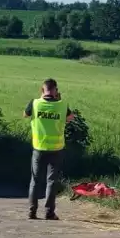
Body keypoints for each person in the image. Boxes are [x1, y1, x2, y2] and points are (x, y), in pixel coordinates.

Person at [23, 78, 74, 220]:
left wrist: (41, 100)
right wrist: (58, 101)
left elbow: (25, 115)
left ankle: (32, 211)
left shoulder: (35, 103)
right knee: (51, 181)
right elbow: (70, 118)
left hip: (39, 148)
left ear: (42, 90)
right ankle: (49, 212)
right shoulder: (62, 105)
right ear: (56, 91)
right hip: (56, 149)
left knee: (35, 180)